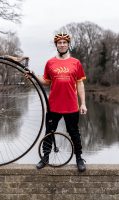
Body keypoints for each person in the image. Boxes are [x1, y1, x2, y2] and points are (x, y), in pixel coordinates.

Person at [33, 33, 87, 172]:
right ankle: (45, 158)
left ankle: (79, 158)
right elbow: (46, 81)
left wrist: (83, 104)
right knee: (49, 132)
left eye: (64, 42)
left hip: (71, 106)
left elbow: (80, 83)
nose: (62, 44)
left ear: (68, 44)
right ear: (56, 45)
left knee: (74, 133)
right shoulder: (50, 63)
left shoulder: (76, 62)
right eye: (59, 42)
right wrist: (34, 75)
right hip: (54, 105)